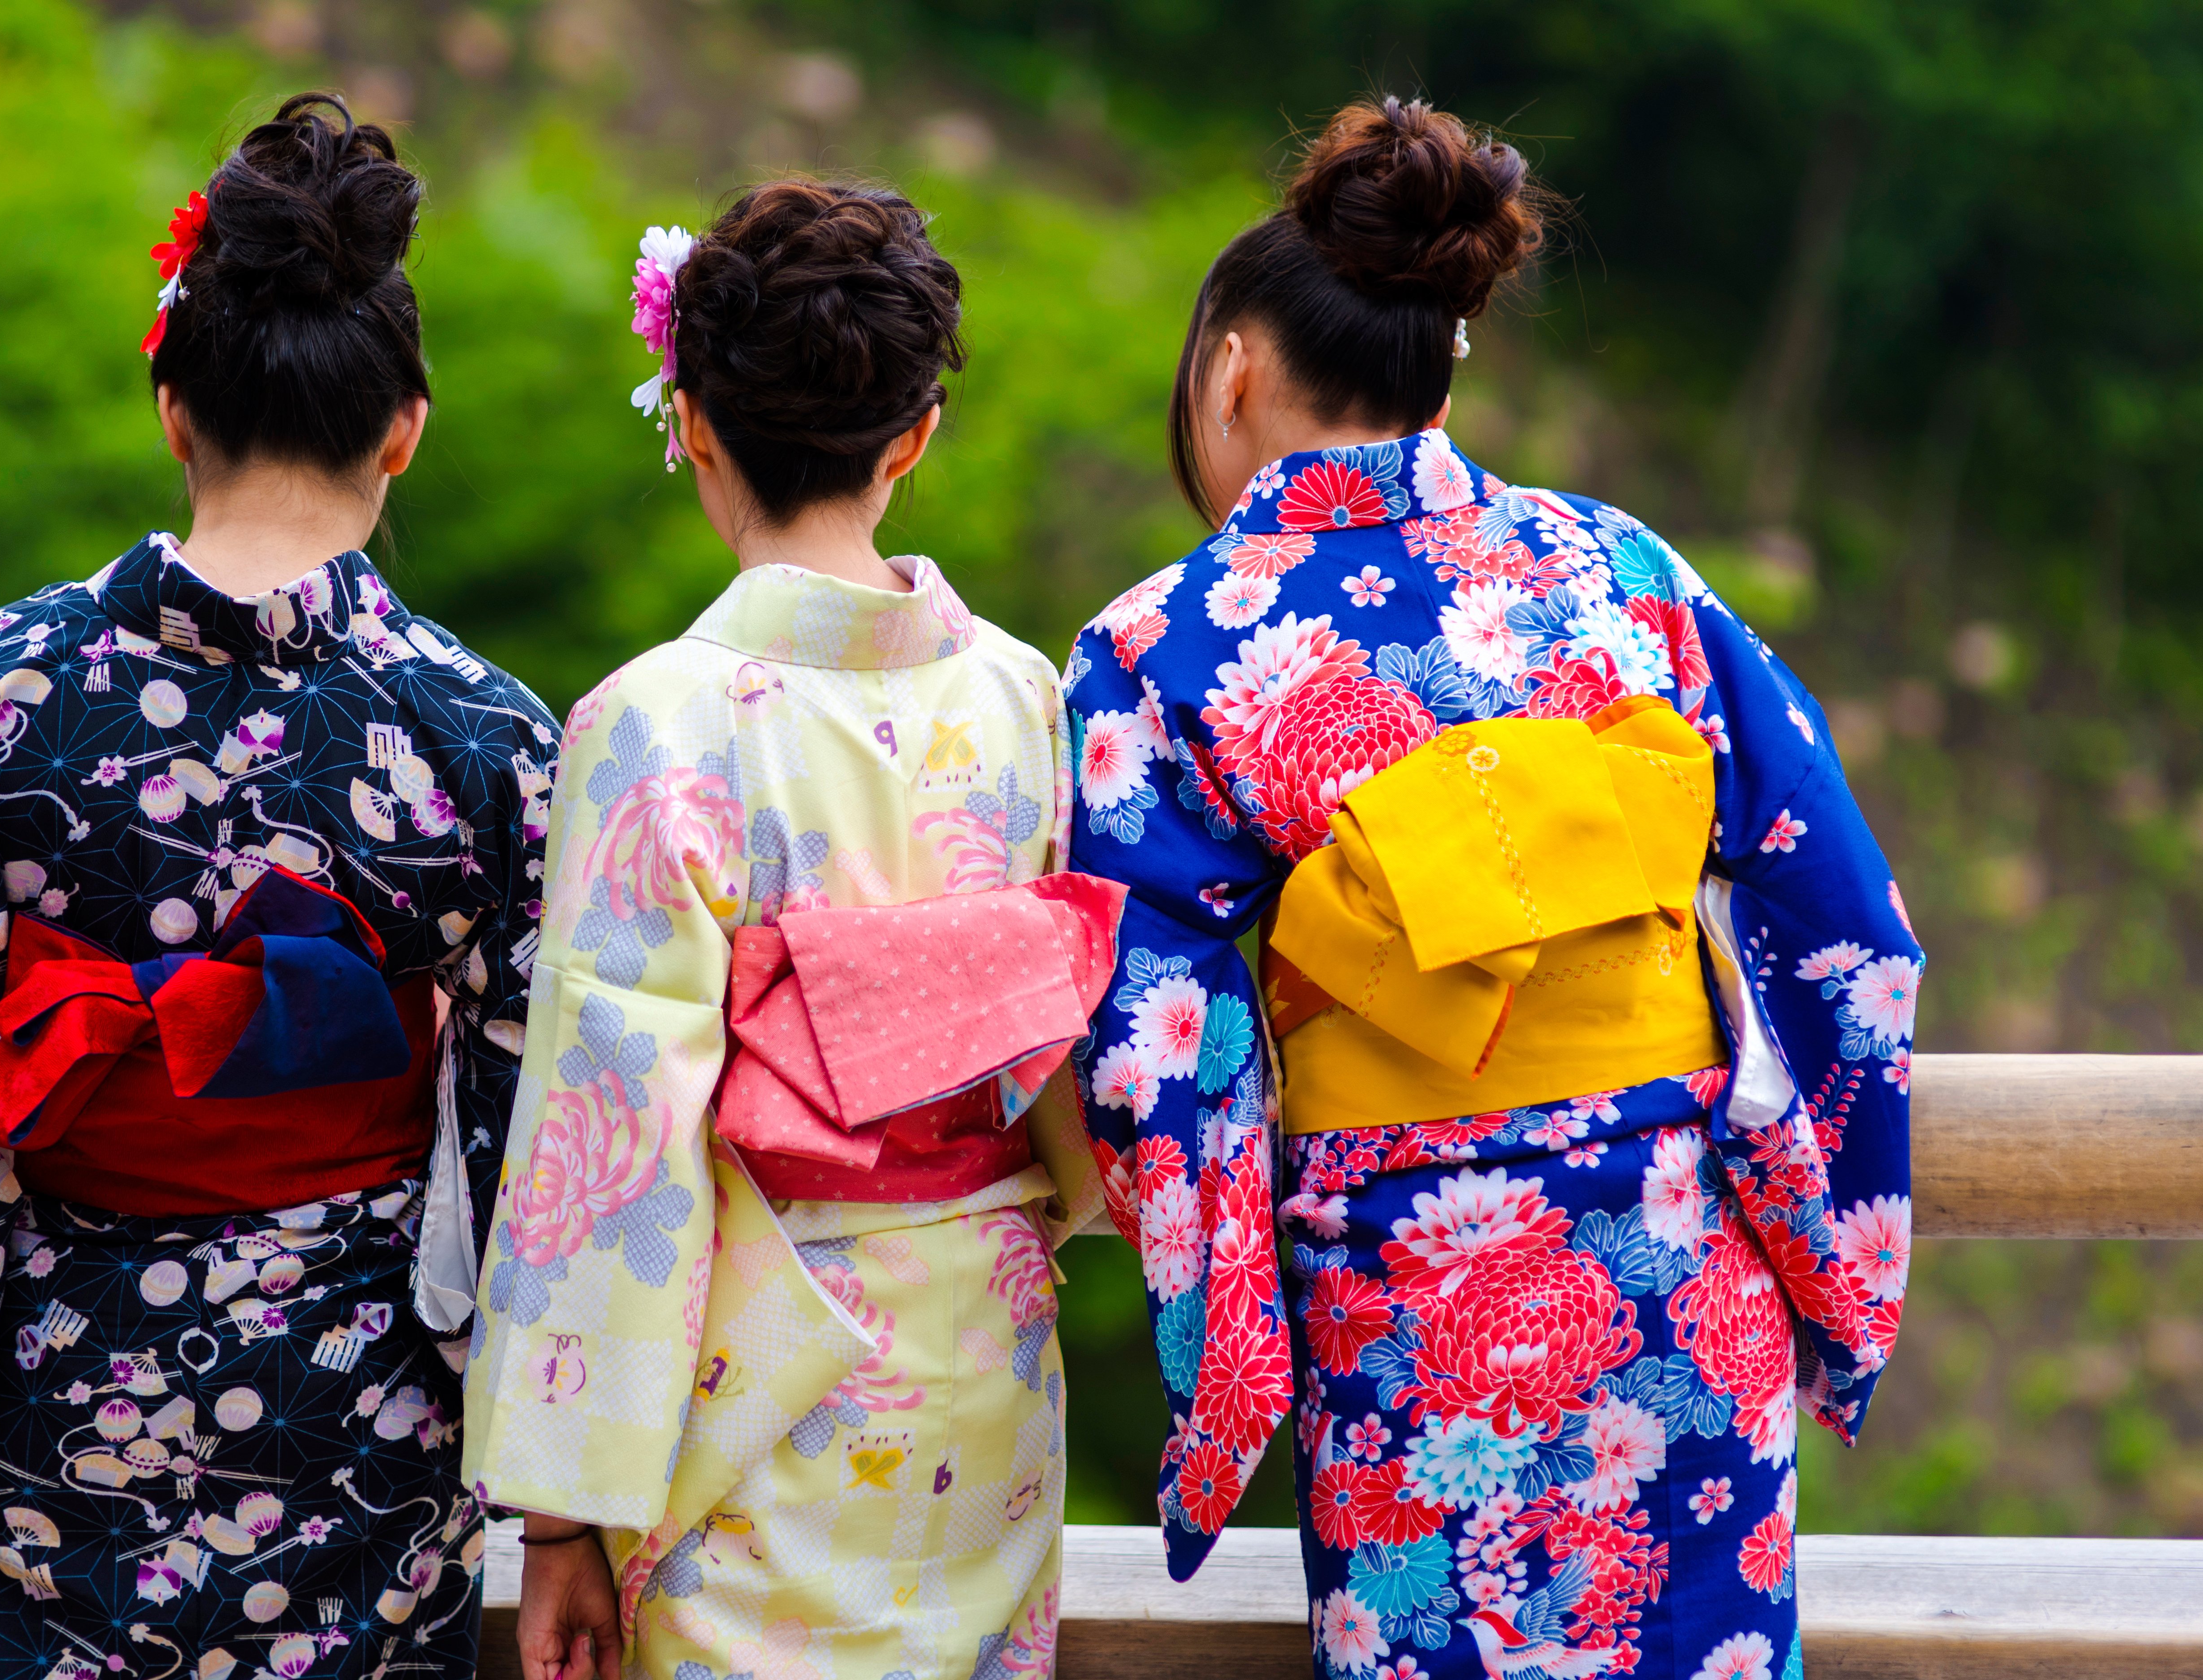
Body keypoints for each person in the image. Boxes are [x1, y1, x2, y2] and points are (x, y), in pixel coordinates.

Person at [0, 94, 557, 1680]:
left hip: (43, 1389)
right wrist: (560, 1497)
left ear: (172, 405)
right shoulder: (480, 733)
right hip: (358, 1419)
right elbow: (540, 1134)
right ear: (405, 427)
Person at [1064, 97, 1920, 1678]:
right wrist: (1834, 1255)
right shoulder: (1628, 572)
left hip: (1407, 1291)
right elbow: (1847, 921)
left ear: (1233, 371)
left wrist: (1227, 1374)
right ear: (1444, 356)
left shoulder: (1150, 649)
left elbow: (1152, 1050)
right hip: (1680, 1258)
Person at [462, 181, 1112, 1680]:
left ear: (686, 419)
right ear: (915, 437)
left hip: (762, 1360)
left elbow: (610, 1131)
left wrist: (563, 1519)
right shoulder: (1021, 694)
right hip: (981, 1346)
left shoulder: (660, 721)